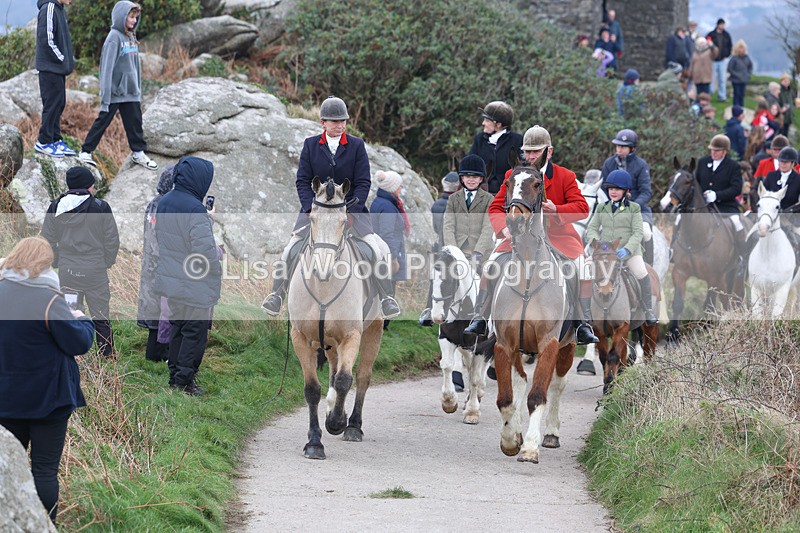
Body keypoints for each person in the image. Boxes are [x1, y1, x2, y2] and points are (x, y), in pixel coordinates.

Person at [261, 96, 400, 319]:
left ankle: (386, 298)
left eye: (343, 121)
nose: (340, 125)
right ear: (323, 122)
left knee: (374, 250)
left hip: (351, 212)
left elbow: (363, 182)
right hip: (316, 212)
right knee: (291, 249)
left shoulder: (356, 145)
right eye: (335, 121)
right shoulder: (310, 145)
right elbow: (302, 181)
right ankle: (277, 295)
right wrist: (310, 208)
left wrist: (352, 208)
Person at [464, 125, 597, 345]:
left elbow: (582, 207)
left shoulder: (565, 176)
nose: (530, 156)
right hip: (518, 238)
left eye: (536, 151)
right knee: (491, 265)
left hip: (559, 238)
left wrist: (558, 209)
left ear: (549, 151)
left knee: (583, 268)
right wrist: (502, 228)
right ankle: (480, 318)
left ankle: (583, 324)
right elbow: (496, 207)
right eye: (527, 151)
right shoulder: (512, 175)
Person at [0, 236, 95, 523]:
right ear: (45, 264)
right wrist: (82, 319)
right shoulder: (50, 299)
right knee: (43, 470)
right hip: (48, 399)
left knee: (5, 470)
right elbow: (79, 343)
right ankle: (42, 527)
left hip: (5, 397)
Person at [155, 156, 221, 396]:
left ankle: (175, 376)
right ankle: (184, 382)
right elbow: (203, 251)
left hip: (173, 278)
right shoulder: (195, 209)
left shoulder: (165, 202)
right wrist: (215, 269)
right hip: (195, 283)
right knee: (194, 333)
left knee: (178, 328)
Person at [41, 166, 119, 357]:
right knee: (101, 315)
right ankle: (106, 354)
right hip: (95, 273)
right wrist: (105, 262)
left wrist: (59, 261)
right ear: (87, 185)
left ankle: (73, 354)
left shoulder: (56, 207)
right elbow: (112, 240)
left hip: (68, 272)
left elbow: (46, 239)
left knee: (71, 312)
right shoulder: (101, 207)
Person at [78, 1, 157, 171]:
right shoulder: (114, 37)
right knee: (103, 121)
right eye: (131, 16)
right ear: (121, 16)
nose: (134, 20)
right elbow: (106, 69)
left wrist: (137, 89)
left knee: (135, 122)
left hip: (130, 91)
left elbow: (135, 66)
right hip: (115, 92)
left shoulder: (131, 36)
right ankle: (85, 152)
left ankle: (138, 152)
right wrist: (105, 96)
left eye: (136, 17)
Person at [585, 170, 658, 324]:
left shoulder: (634, 208)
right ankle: (584, 313)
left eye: (617, 189)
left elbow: (638, 233)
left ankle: (647, 310)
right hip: (604, 253)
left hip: (629, 252)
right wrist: (596, 243)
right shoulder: (601, 208)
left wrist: (627, 249)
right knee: (584, 269)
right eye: (611, 189)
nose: (613, 192)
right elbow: (591, 228)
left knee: (641, 272)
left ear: (626, 191)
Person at [137, 165, 175, 362]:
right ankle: (159, 354)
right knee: (163, 310)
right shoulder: (166, 205)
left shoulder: (153, 203)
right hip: (161, 264)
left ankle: (154, 354)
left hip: (150, 264)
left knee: (154, 310)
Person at [599, 129, 654, 264]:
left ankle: (648, 264)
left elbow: (646, 192)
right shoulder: (609, 163)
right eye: (617, 146)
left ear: (632, 148)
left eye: (623, 146)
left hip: (637, 208)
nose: (619, 149)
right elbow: (602, 189)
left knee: (646, 233)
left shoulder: (641, 165)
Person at [694, 134, 747, 270]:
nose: (713, 153)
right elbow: (696, 183)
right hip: (704, 206)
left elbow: (736, 188)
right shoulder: (702, 162)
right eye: (712, 150)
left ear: (725, 151)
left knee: (737, 224)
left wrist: (717, 195)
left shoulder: (733, 166)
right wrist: (702, 196)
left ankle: (742, 258)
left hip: (725, 205)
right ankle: (675, 253)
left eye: (717, 151)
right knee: (680, 219)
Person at [34, 0, 75, 158]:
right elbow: (46, 39)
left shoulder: (59, 8)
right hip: (49, 68)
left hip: (57, 69)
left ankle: (55, 139)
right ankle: (43, 141)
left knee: (59, 103)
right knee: (51, 104)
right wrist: (62, 59)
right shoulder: (49, 8)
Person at [419, 171, 460, 327]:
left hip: (439, 247)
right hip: (455, 249)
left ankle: (428, 311)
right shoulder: (457, 205)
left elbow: (436, 228)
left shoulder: (436, 205)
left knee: (435, 282)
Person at [370, 170, 410, 330]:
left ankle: (380, 324)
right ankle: (382, 327)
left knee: (381, 288)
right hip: (387, 254)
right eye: (399, 185)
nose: (401, 188)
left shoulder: (382, 202)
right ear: (392, 187)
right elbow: (387, 234)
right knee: (387, 290)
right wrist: (393, 258)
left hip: (381, 252)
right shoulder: (387, 206)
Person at [443, 154, 495, 267]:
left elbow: (488, 227)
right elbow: (448, 226)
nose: (471, 180)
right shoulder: (453, 199)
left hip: (482, 252)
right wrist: (453, 251)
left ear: (481, 179)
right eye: (467, 176)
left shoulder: (489, 199)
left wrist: (478, 252)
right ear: (462, 178)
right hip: (459, 250)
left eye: (475, 177)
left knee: (490, 279)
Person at [468, 101, 523, 195]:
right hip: (481, 193)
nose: (483, 123)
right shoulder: (479, 139)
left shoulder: (517, 141)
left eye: (487, 120)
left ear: (498, 124)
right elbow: (471, 165)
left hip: (508, 194)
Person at [706, 18, 732, 102]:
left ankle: (722, 96)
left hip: (722, 60)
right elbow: (706, 45)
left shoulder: (726, 35)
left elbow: (729, 45)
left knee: (722, 79)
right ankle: (709, 95)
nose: (722, 26)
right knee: (711, 78)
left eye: (723, 25)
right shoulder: (711, 35)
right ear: (718, 25)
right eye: (721, 24)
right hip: (713, 60)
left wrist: (727, 54)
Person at [727, 40, 752, 108]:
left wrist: (748, 74)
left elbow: (750, 66)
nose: (742, 49)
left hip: (744, 79)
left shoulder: (747, 58)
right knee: (736, 94)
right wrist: (736, 75)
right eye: (741, 47)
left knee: (742, 95)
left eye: (743, 47)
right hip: (736, 80)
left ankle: (741, 107)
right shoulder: (734, 58)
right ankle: (735, 107)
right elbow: (730, 68)